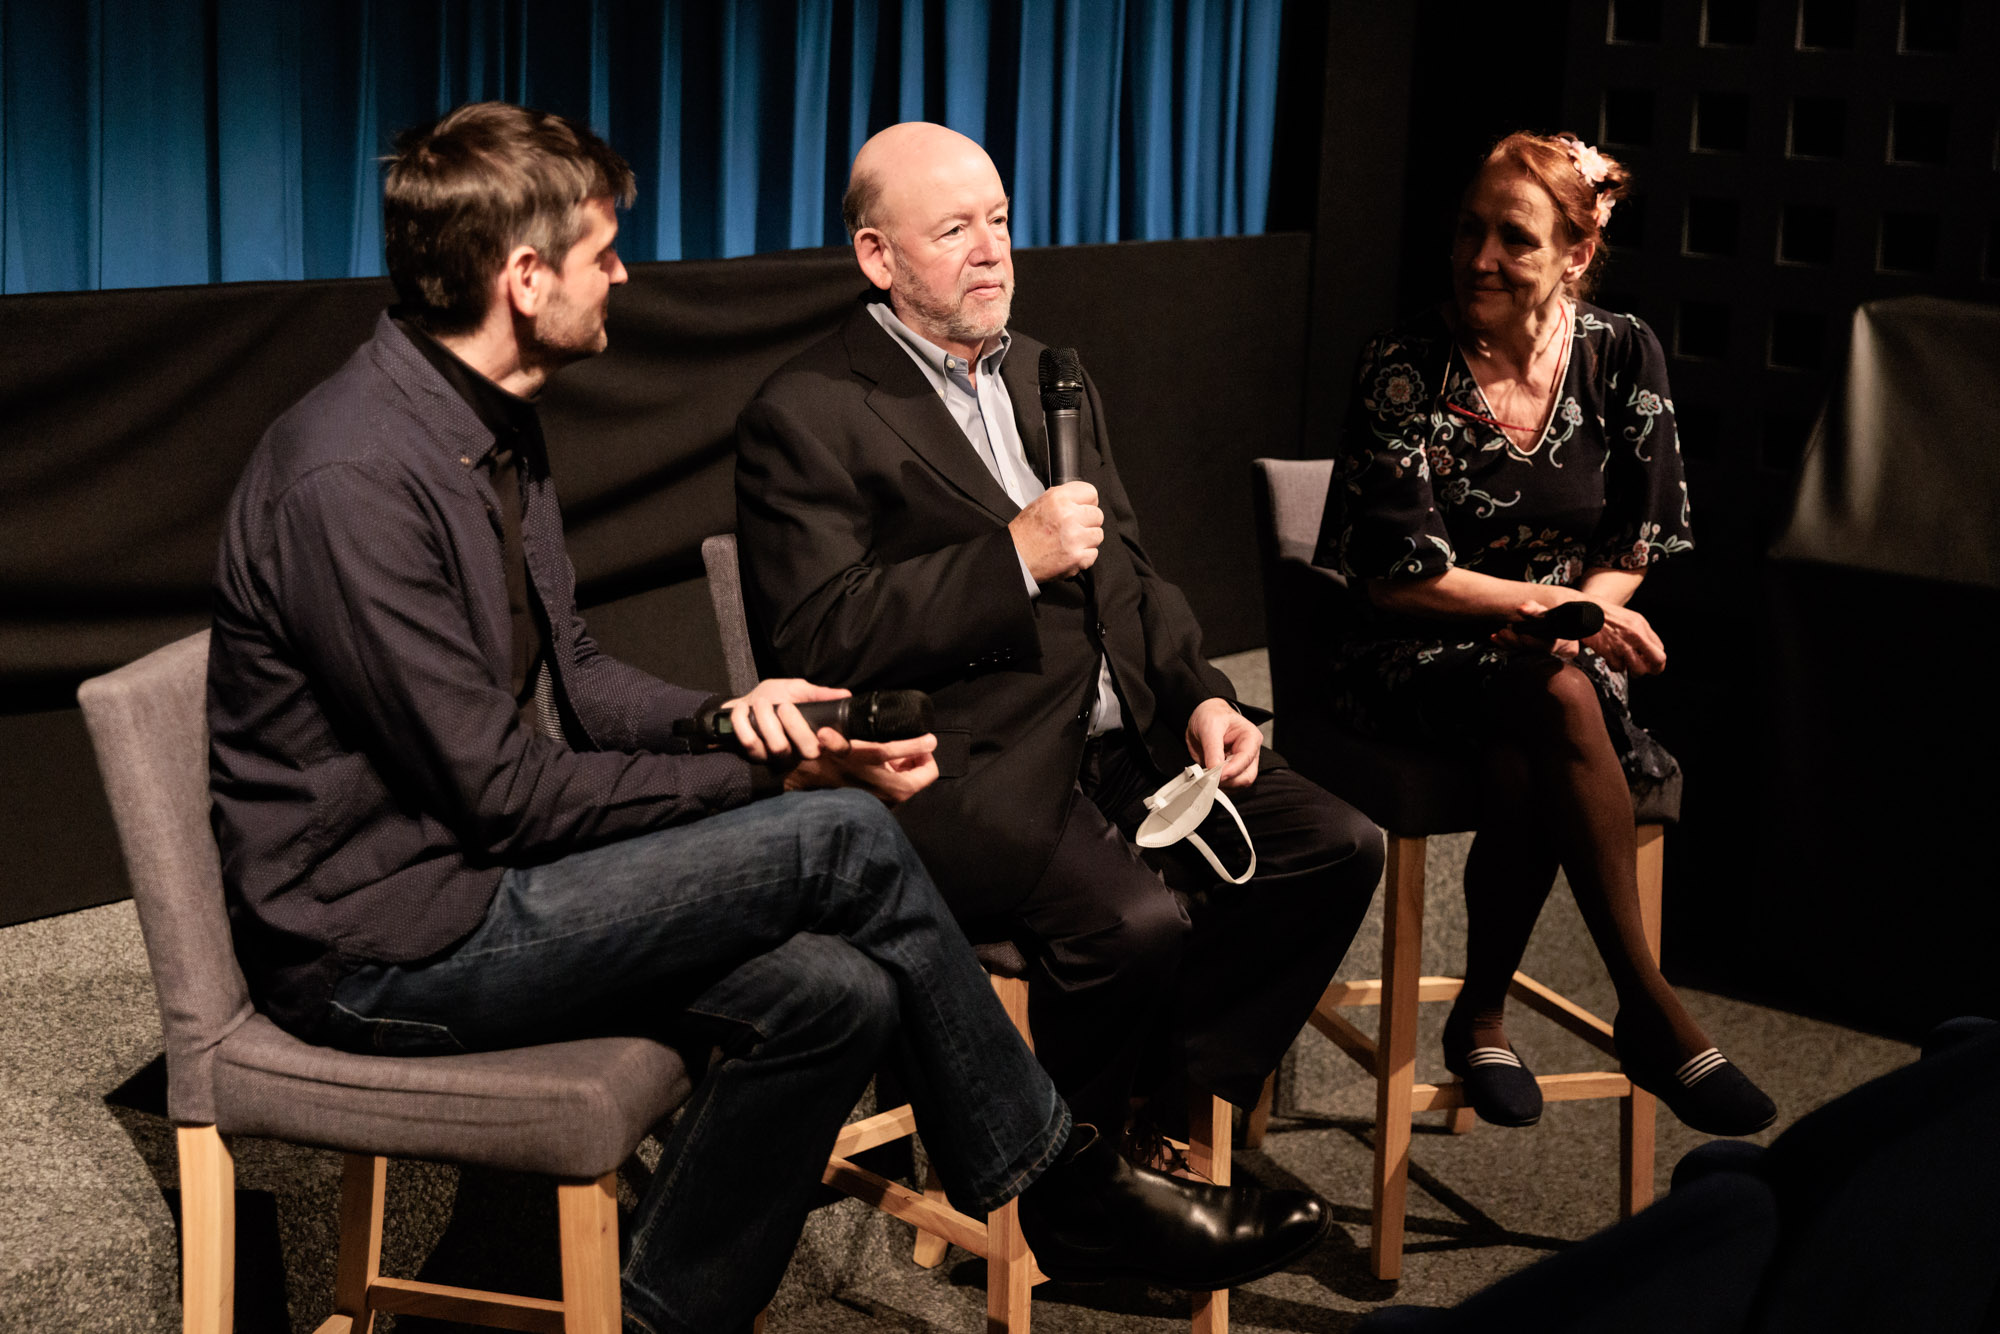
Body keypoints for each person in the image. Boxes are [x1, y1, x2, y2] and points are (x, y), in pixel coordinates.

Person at [206, 102, 1330, 1334]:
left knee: (835, 995)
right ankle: (1060, 1184)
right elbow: (500, 792)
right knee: (840, 837)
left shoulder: (490, 425)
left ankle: (657, 1319)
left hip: (476, 875)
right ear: (524, 279)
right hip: (383, 941)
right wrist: (777, 785)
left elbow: (577, 670)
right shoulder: (357, 476)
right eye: (601, 254)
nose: (625, 275)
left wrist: (732, 715)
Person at [733, 122, 1385, 1162]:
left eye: (997, 219)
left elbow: (1127, 565)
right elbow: (819, 633)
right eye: (953, 229)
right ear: (876, 256)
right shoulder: (807, 411)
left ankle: (1147, 1105)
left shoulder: (1049, 373)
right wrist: (1010, 559)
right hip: (974, 764)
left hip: (1123, 737)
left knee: (1334, 848)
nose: (991, 249)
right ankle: (1064, 1168)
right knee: (1136, 927)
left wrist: (1199, 693)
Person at [1313, 130, 1774, 1135]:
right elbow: (1399, 580)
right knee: (1552, 699)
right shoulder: (1400, 365)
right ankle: (1646, 1005)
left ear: (1574, 253)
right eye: (1467, 229)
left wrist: (1586, 613)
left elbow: (1636, 534)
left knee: (1535, 725)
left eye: (1511, 239)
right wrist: (1553, 616)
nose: (1477, 256)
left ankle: (1480, 1010)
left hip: (1555, 654)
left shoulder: (1621, 350)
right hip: (1411, 652)